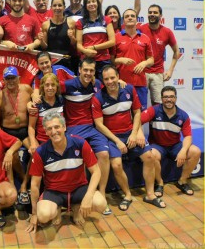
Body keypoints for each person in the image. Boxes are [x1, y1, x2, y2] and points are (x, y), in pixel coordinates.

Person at [92, 65, 166, 210]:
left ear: (118, 77)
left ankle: (150, 195)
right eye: (106, 79)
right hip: (112, 138)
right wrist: (118, 141)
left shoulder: (129, 89)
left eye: (113, 77)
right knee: (116, 165)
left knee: (149, 156)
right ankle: (127, 195)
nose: (110, 81)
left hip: (130, 132)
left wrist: (135, 133)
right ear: (103, 81)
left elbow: (137, 112)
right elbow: (99, 125)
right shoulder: (97, 98)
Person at [26, 112, 107, 232]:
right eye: (49, 129)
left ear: (64, 127)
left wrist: (88, 196)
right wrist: (34, 214)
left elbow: (96, 172)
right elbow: (35, 185)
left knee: (101, 204)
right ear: (46, 132)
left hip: (79, 188)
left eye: (57, 127)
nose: (54, 131)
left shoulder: (80, 143)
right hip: (54, 192)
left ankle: (76, 207)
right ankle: (57, 209)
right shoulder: (40, 152)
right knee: (43, 215)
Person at [60, 58, 111, 215]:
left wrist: (121, 81)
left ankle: (101, 192)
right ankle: (79, 199)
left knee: (104, 154)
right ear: (79, 70)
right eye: (86, 70)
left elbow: (110, 84)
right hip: (73, 130)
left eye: (91, 70)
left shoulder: (96, 85)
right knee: (78, 158)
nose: (88, 73)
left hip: (91, 128)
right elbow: (47, 88)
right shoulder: (67, 85)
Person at [140, 86, 201, 197]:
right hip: (157, 145)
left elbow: (188, 136)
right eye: (166, 97)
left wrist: (183, 150)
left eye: (171, 97)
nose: (169, 99)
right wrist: (139, 135)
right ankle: (159, 183)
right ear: (162, 98)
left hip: (175, 146)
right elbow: (137, 121)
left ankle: (182, 181)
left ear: (176, 98)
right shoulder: (154, 110)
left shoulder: (183, 115)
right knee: (151, 155)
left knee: (196, 151)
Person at [0, 66, 33, 204]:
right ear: (3, 80)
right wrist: (1, 138)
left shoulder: (27, 89)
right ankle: (24, 183)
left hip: (26, 132)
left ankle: (23, 186)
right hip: (8, 133)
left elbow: (37, 100)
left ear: (19, 79)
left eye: (13, 78)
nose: (10, 81)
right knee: (13, 155)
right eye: (8, 78)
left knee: (36, 152)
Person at [111, 8, 154, 111]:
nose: (130, 17)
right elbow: (110, 60)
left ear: (136, 19)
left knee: (140, 114)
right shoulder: (116, 37)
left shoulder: (145, 38)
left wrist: (144, 63)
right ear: (123, 20)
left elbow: (151, 60)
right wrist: (120, 60)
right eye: (127, 16)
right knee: (123, 115)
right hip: (122, 83)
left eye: (132, 16)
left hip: (140, 83)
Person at [137, 5, 180, 105]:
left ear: (160, 15)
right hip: (142, 72)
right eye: (150, 12)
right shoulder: (140, 29)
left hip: (158, 73)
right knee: (139, 104)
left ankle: (155, 121)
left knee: (158, 104)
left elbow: (176, 52)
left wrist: (170, 70)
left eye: (155, 12)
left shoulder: (167, 32)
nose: (152, 14)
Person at [76, 0, 115, 81]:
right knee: (87, 87)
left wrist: (94, 47)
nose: (91, 4)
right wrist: (85, 51)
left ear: (98, 3)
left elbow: (112, 41)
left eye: (93, 1)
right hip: (87, 61)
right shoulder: (80, 22)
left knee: (105, 87)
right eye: (88, 2)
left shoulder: (106, 20)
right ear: (85, 5)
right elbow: (78, 44)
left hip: (103, 60)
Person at [28, 73, 64, 152]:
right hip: (43, 141)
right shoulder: (37, 104)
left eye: (53, 85)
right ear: (43, 87)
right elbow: (31, 127)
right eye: (47, 85)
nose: (50, 88)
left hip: (60, 139)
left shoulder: (61, 99)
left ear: (57, 86)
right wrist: (33, 143)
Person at [40, 0, 77, 72]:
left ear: (64, 7)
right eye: (54, 5)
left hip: (66, 61)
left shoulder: (71, 22)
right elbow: (44, 47)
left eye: (60, 5)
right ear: (51, 7)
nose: (57, 8)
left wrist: (72, 37)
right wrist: (41, 40)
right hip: (51, 62)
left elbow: (74, 44)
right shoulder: (46, 24)